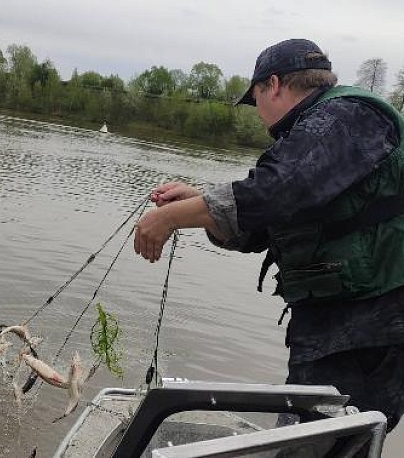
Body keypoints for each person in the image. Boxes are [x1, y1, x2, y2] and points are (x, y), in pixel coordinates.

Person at [133, 38, 404, 433]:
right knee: (309, 436)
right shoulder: (315, 135)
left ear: (272, 85)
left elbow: (276, 191)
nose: (258, 112)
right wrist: (199, 203)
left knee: (322, 440)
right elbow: (261, 227)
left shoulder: (348, 115)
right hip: (336, 327)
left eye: (255, 97)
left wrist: (173, 217)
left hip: (370, 327)